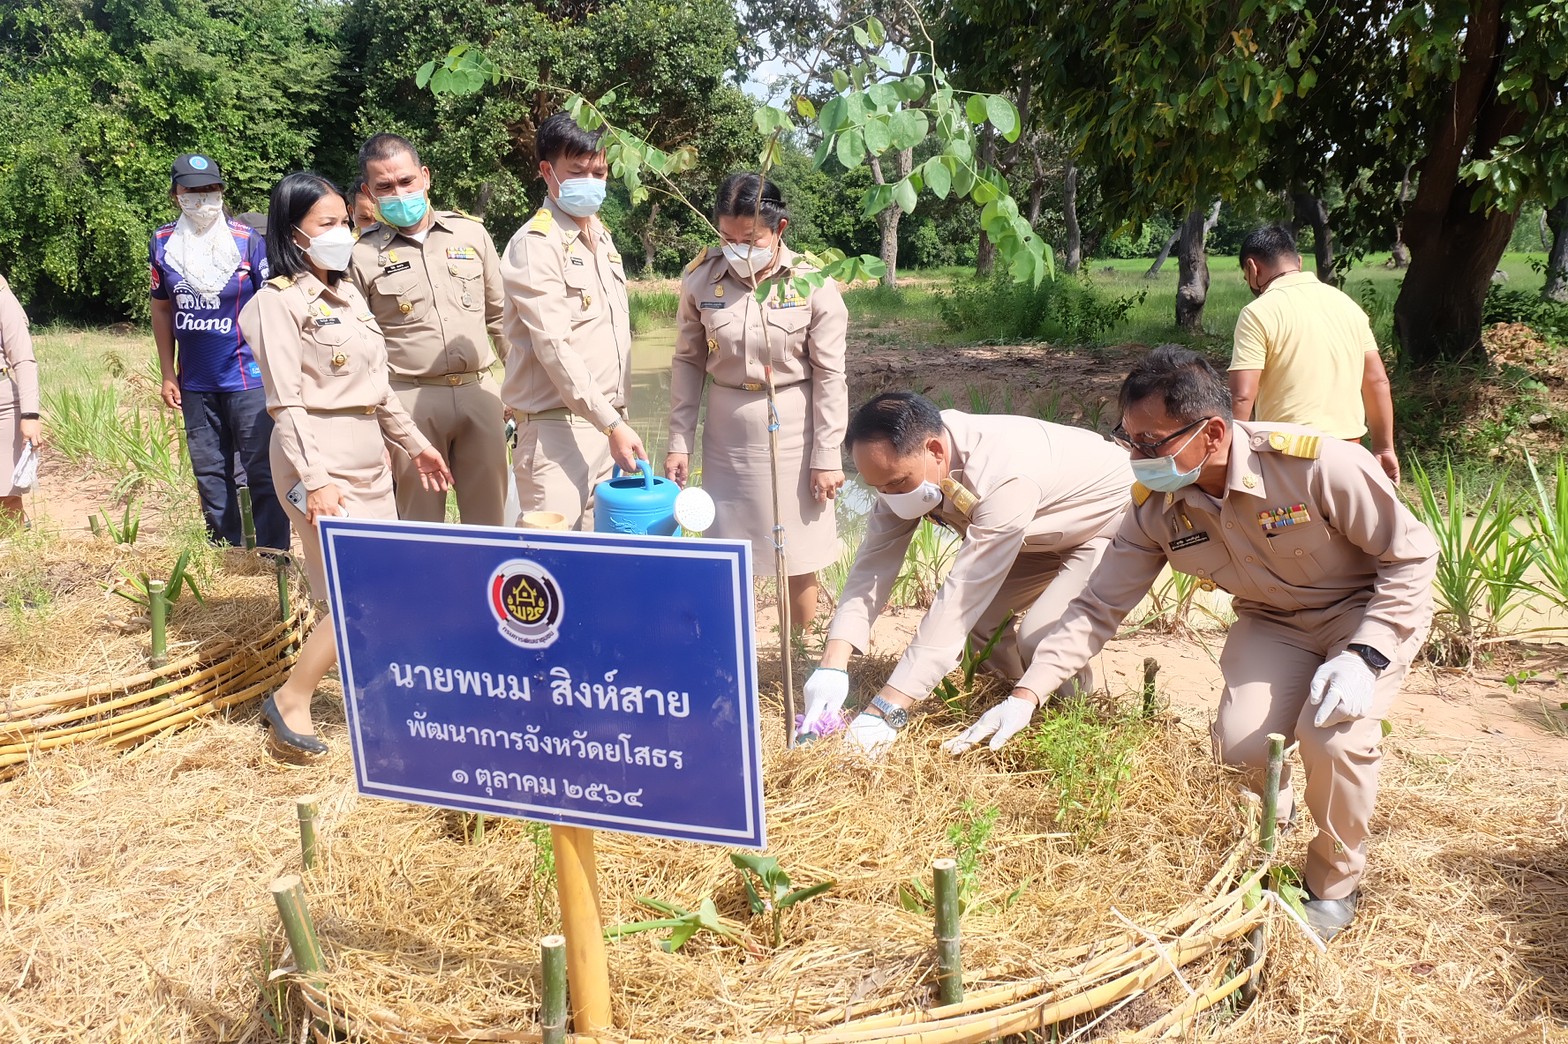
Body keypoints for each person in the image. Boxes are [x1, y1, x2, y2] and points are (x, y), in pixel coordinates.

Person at [945, 346, 1437, 941]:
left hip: (1364, 614)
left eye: (1150, 443)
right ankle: (1265, 844)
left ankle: (1333, 886)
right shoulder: (1156, 506)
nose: (1136, 458)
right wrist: (1026, 695)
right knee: (1242, 744)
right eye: (1128, 440)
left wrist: (1366, 654)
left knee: (1332, 737)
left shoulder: (1316, 465)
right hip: (1274, 622)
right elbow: (1098, 607)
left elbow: (1411, 557)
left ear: (1213, 433)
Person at [239, 172, 453, 758]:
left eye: (345, 221)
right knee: (358, 590)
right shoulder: (277, 303)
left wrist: (415, 443)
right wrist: (317, 481)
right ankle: (292, 698)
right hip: (317, 457)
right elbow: (285, 403)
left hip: (369, 458)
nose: (342, 233)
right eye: (327, 224)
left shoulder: (350, 296)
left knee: (385, 582)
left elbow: (377, 392)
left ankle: (376, 700)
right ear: (294, 234)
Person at [799, 391, 1135, 753]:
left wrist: (887, 707)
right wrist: (832, 666)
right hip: (1033, 534)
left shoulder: (1003, 474)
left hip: (1101, 525)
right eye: (877, 487)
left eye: (896, 483)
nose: (889, 495)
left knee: (1041, 638)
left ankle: (1072, 727)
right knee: (984, 627)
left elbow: (961, 598)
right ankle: (1008, 710)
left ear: (934, 451)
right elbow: (872, 566)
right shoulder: (902, 465)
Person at [665, 173, 848, 631]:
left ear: (779, 229)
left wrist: (826, 455)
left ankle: (797, 649)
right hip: (727, 434)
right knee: (729, 552)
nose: (737, 250)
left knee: (799, 554)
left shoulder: (812, 283)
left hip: (795, 431)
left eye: (750, 240)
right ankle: (737, 649)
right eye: (727, 239)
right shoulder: (701, 279)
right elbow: (687, 362)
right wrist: (679, 442)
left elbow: (830, 374)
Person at [347, 135, 509, 526]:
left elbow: (502, 319)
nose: (399, 193)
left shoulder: (471, 235)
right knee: (419, 523)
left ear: (425, 177)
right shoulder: (360, 255)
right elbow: (358, 351)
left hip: (479, 392)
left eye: (406, 181)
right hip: (409, 401)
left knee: (490, 521)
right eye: (385, 187)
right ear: (369, 192)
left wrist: (520, 390)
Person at [499, 111, 644, 530]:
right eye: (577, 172)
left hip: (607, 427)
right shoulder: (537, 244)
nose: (591, 182)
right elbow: (554, 347)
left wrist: (614, 422)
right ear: (548, 172)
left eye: (599, 172)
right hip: (555, 433)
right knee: (554, 560)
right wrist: (611, 423)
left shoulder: (601, 237)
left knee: (601, 559)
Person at [150, 153, 290, 549]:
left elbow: (272, 307)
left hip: (248, 378)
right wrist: (167, 372)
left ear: (221, 191)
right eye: (191, 190)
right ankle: (227, 551)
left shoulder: (247, 241)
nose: (201, 198)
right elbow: (161, 308)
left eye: (210, 189)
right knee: (210, 472)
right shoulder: (163, 242)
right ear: (176, 194)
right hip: (195, 382)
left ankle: (272, 553)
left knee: (262, 469)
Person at [1228, 224, 1400, 484]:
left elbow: (1242, 395)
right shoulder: (1347, 305)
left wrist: (1230, 457)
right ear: (1298, 261)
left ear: (1252, 269)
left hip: (1289, 455)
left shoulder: (1258, 312)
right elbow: (1377, 380)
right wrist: (1384, 448)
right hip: (1349, 453)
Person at [0, 273, 40, 528]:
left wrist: (30, 415)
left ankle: (14, 543)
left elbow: (23, 359)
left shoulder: (1, 296)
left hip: (2, 408)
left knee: (6, 497)